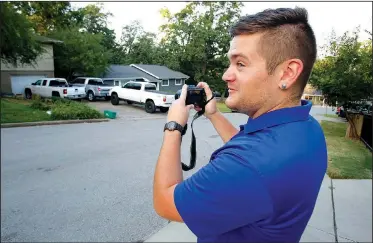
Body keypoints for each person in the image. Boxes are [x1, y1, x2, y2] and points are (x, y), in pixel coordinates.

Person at [153, 7, 327, 243]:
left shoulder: (249, 165)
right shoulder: (306, 127)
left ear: (287, 73)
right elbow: (249, 148)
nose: (226, 75)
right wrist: (213, 114)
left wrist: (174, 126)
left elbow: (165, 203)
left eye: (241, 64)